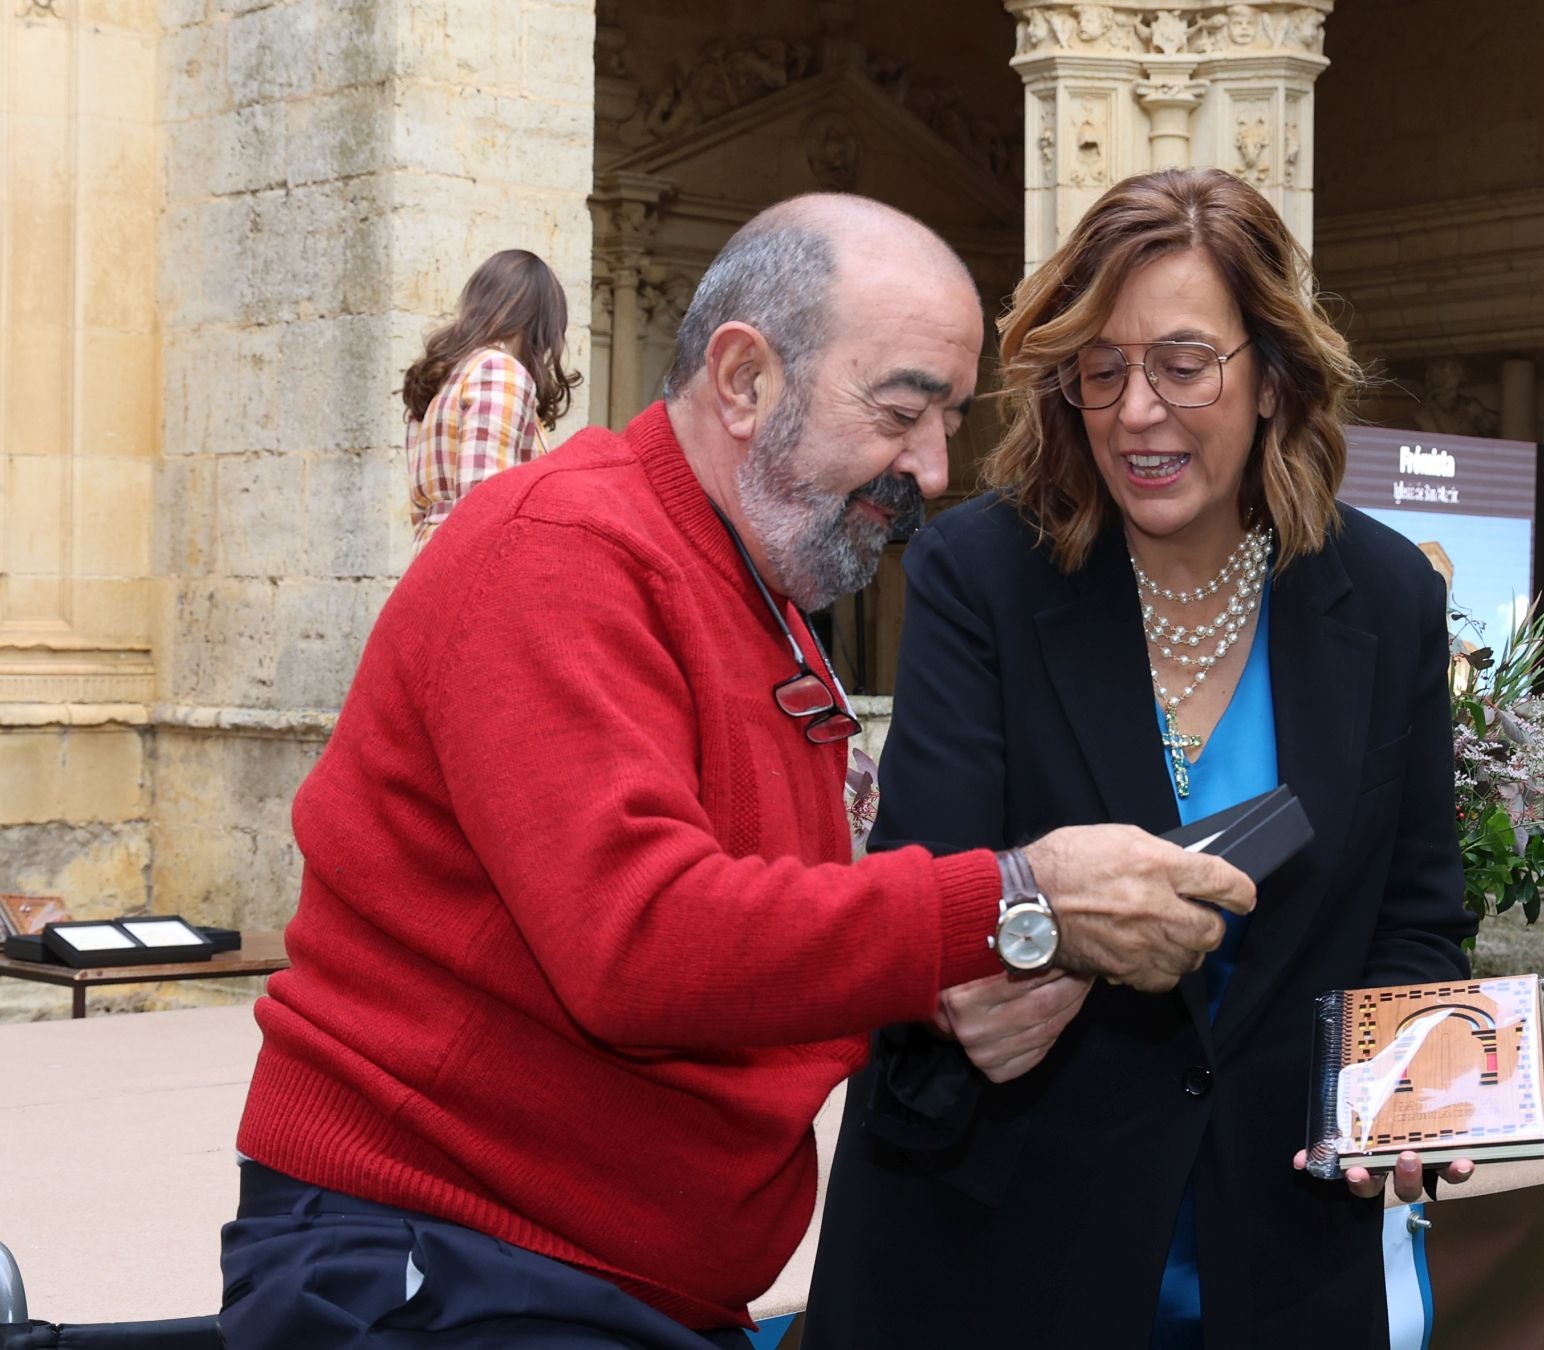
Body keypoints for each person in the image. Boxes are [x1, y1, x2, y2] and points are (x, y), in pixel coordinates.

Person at [216, 193, 1257, 1349]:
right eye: (905, 411)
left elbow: (779, 947)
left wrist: (979, 978)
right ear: (745, 378)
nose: (933, 466)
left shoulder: (763, 596)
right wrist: (1017, 900)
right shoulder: (560, 551)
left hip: (609, 1283)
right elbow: (640, 940)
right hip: (445, 1265)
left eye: (951, 420)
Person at [803, 169, 1481, 1350]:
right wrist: (1033, 938)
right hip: (1002, 1245)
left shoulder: (1384, 599)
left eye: (1182, 363)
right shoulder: (983, 575)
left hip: (1279, 1256)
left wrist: (1418, 1101)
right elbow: (932, 876)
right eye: (1100, 370)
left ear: (1271, 375)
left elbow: (1415, 918)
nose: (1135, 412)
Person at [402, 248, 580, 551]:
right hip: (471, 567)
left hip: (431, 561)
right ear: (542, 322)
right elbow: (485, 505)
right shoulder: (499, 370)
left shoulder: (442, 376)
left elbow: (420, 512)